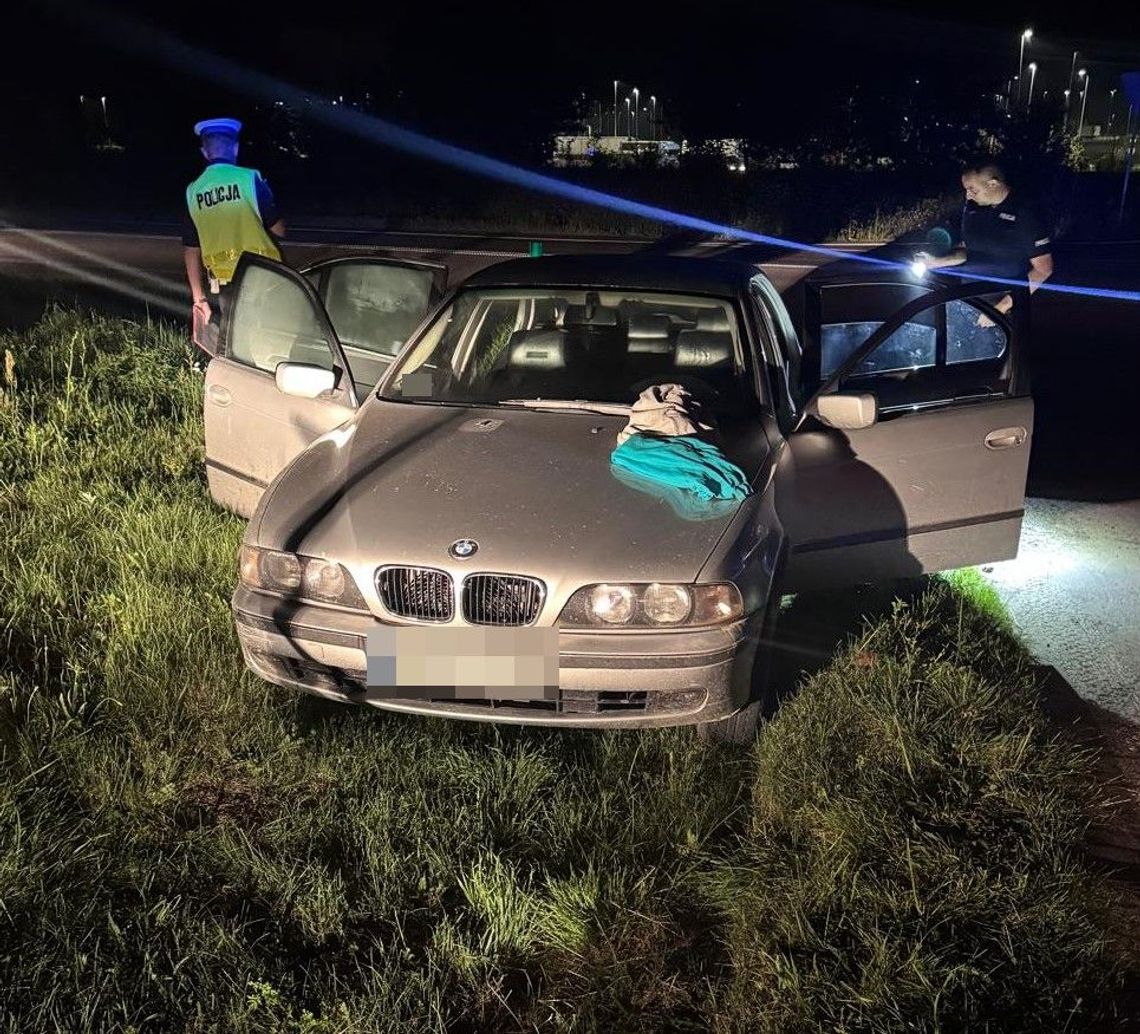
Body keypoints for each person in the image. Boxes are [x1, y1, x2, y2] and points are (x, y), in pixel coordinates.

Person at [182, 117, 285, 350]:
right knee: (273, 340)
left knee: (238, 343)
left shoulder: (193, 192)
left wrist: (200, 301)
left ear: (204, 152)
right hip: (267, 276)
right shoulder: (250, 179)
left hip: (225, 284)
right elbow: (279, 229)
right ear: (236, 149)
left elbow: (191, 251)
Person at [915, 160, 1053, 326]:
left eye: (973, 189)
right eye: (966, 190)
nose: (968, 195)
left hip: (1004, 311)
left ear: (993, 184)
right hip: (968, 300)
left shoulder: (1025, 213)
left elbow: (1043, 270)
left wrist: (999, 310)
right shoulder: (973, 208)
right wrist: (936, 262)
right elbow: (968, 249)